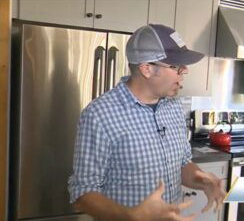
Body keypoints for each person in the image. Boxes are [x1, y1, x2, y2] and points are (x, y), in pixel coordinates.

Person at [67, 24, 226, 221]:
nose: (184, 70)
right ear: (147, 69)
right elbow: (82, 193)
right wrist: (131, 216)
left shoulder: (173, 106)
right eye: (175, 66)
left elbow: (183, 164)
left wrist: (204, 182)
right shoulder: (100, 115)